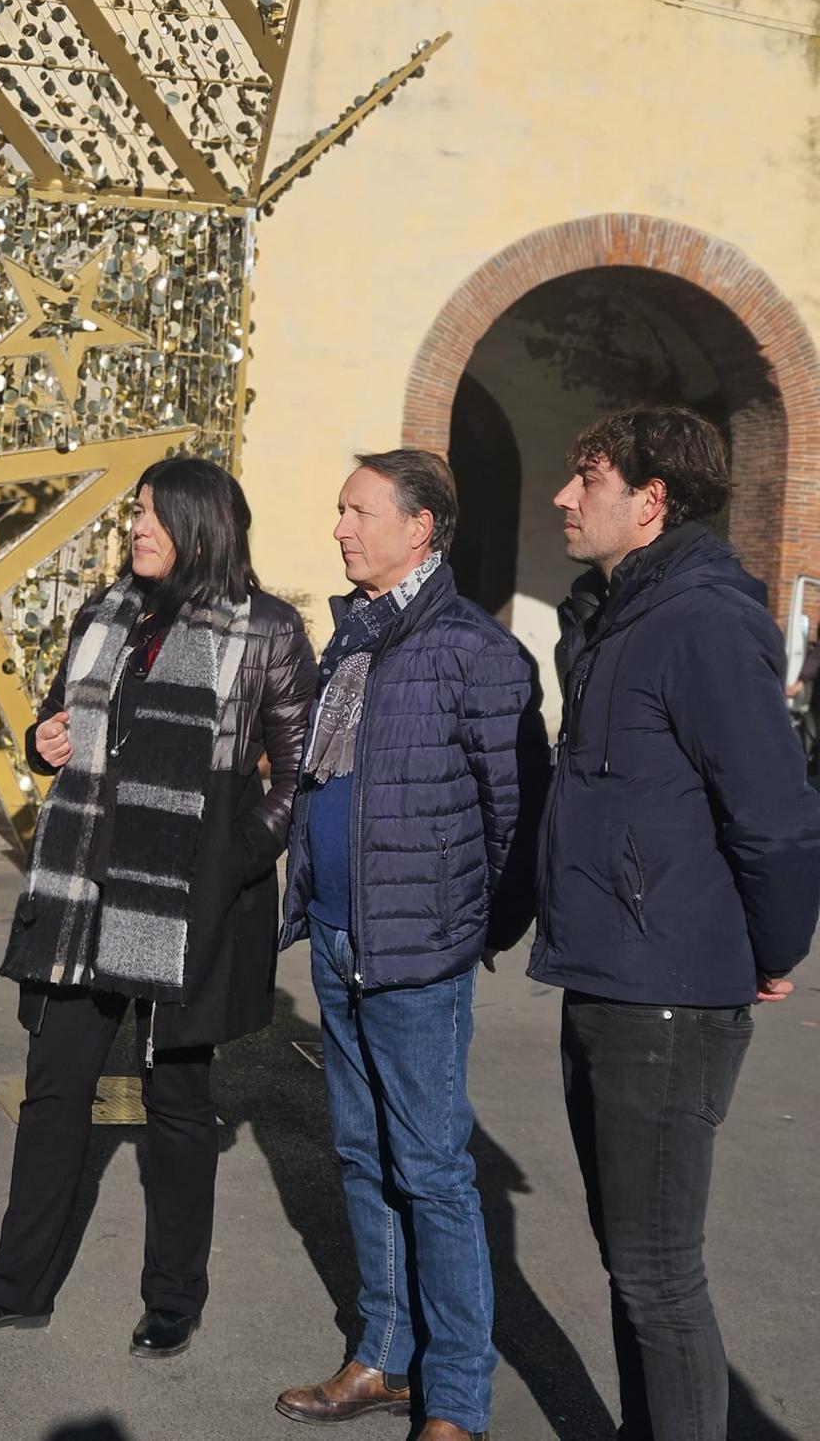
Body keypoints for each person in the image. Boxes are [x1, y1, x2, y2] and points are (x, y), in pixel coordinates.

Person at [0, 457, 317, 1357]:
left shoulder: (267, 631)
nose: (134, 529)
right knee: (55, 1090)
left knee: (178, 1102)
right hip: (85, 894)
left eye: (150, 516)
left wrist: (232, 857)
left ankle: (173, 1297)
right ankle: (14, 1284)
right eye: (134, 514)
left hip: (188, 902)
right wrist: (41, 738)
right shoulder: (107, 613)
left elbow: (296, 779)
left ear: (199, 524)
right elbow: (63, 721)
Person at [531, 407, 820, 1441]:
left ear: (648, 500)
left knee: (656, 1271)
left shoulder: (700, 619)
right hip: (606, 970)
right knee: (630, 1260)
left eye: (587, 478)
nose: (564, 497)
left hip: (665, 991)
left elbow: (777, 816)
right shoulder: (613, 614)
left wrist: (772, 947)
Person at [276, 450, 547, 1441]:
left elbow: (516, 808)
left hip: (413, 953)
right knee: (359, 1151)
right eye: (339, 508)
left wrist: (466, 928)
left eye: (355, 511)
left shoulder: (470, 649)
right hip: (339, 938)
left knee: (431, 1169)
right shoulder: (351, 637)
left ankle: (456, 1399)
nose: (339, 527)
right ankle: (381, 1356)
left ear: (418, 525)